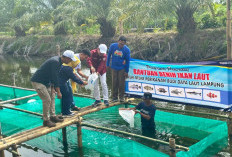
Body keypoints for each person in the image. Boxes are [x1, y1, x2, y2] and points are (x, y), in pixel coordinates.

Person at [31, 50, 77, 127]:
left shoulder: (59, 62)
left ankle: (52, 116)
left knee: (52, 95)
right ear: (65, 57)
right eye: (70, 59)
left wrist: (53, 88)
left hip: (46, 82)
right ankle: (46, 120)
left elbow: (53, 76)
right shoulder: (55, 62)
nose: (71, 61)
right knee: (47, 99)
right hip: (38, 81)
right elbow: (55, 78)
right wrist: (59, 92)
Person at [58, 50, 87, 116]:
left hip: (62, 82)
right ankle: (66, 112)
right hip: (62, 83)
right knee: (67, 97)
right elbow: (74, 77)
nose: (76, 66)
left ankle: (64, 111)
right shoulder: (68, 69)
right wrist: (82, 82)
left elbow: (74, 76)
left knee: (66, 96)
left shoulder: (64, 66)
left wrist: (81, 81)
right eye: (76, 64)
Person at [106, 36, 131, 102]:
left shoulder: (126, 50)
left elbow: (128, 61)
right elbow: (108, 55)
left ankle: (121, 97)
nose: (121, 45)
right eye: (120, 43)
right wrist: (107, 65)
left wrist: (126, 71)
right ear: (118, 41)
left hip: (121, 68)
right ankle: (114, 97)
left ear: (125, 44)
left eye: (123, 44)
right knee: (114, 82)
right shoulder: (113, 46)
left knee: (121, 83)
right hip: (113, 67)